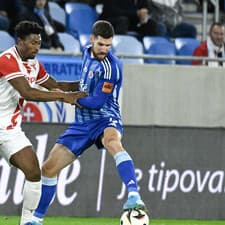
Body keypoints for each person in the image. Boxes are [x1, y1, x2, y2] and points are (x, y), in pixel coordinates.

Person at [30, 20, 146, 225]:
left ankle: (134, 194)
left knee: (113, 142)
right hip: (81, 123)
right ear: (91, 39)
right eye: (101, 44)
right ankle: (36, 220)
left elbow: (96, 101)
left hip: (105, 117)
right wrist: (63, 89)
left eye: (108, 45)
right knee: (48, 168)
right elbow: (83, 85)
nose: (104, 50)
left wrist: (67, 97)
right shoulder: (85, 52)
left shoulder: (112, 67)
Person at [0, 20, 87, 225]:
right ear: (20, 41)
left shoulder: (33, 63)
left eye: (39, 43)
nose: (37, 47)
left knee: (33, 171)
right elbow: (28, 93)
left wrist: (85, 84)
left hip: (9, 129)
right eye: (32, 43)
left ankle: (28, 222)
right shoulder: (6, 60)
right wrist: (63, 98)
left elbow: (55, 85)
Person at [91, 0, 166, 38]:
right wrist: (136, 13)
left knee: (152, 25)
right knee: (123, 21)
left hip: (130, 22)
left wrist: (144, 12)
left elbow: (144, 7)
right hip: (110, 22)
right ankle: (118, 49)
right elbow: (112, 10)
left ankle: (150, 54)